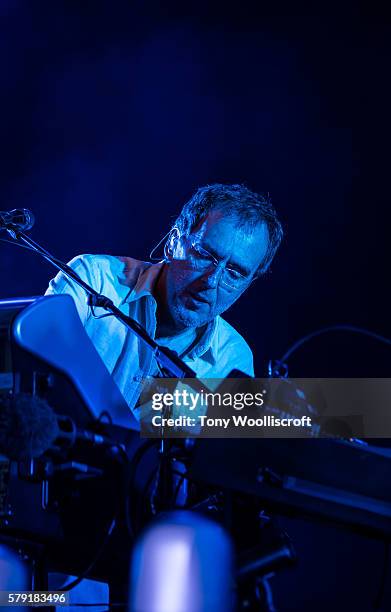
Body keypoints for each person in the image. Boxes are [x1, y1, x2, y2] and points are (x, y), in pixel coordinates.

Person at [45, 183, 283, 417]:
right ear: (173, 242)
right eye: (203, 255)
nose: (211, 281)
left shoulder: (233, 358)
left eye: (235, 272)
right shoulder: (93, 280)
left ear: (248, 283)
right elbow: (30, 378)